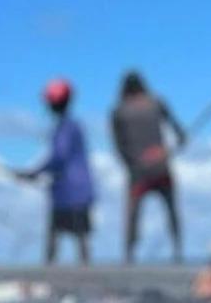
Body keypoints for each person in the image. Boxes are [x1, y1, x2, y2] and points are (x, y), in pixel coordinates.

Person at [110, 70, 187, 263]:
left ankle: (129, 254)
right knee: (171, 210)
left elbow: (118, 146)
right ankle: (178, 250)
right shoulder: (156, 103)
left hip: (138, 171)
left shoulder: (119, 111)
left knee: (133, 214)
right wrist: (167, 150)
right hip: (161, 166)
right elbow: (180, 134)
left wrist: (133, 164)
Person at [18, 78, 95, 265]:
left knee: (55, 237)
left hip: (67, 192)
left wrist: (34, 172)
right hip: (79, 190)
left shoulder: (64, 128)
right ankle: (88, 277)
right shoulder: (73, 126)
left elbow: (59, 157)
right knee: (81, 238)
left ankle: (49, 277)